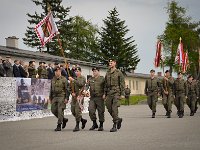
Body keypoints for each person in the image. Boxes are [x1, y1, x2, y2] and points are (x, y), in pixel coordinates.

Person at [104, 59, 125, 132]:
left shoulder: (118, 72)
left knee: (114, 109)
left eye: (111, 62)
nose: (110, 64)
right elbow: (105, 84)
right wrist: (104, 93)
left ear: (115, 63)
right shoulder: (107, 72)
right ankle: (118, 119)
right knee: (108, 107)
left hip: (116, 92)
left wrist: (122, 94)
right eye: (109, 62)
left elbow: (122, 83)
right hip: (109, 92)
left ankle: (114, 125)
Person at [49, 66, 69, 131]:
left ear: (60, 71)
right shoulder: (53, 79)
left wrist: (66, 98)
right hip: (55, 96)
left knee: (60, 110)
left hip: (61, 96)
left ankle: (59, 125)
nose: (57, 72)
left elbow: (67, 89)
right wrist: (50, 98)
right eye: (55, 71)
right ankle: (63, 119)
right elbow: (51, 89)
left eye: (58, 71)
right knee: (53, 110)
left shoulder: (64, 79)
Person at [68, 67, 87, 132]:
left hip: (80, 96)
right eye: (76, 71)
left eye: (78, 71)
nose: (76, 72)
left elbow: (80, 84)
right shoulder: (73, 78)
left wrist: (73, 80)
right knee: (73, 111)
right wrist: (71, 92)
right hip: (74, 97)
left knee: (77, 111)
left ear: (80, 71)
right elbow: (69, 87)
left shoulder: (83, 78)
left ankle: (77, 125)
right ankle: (82, 120)